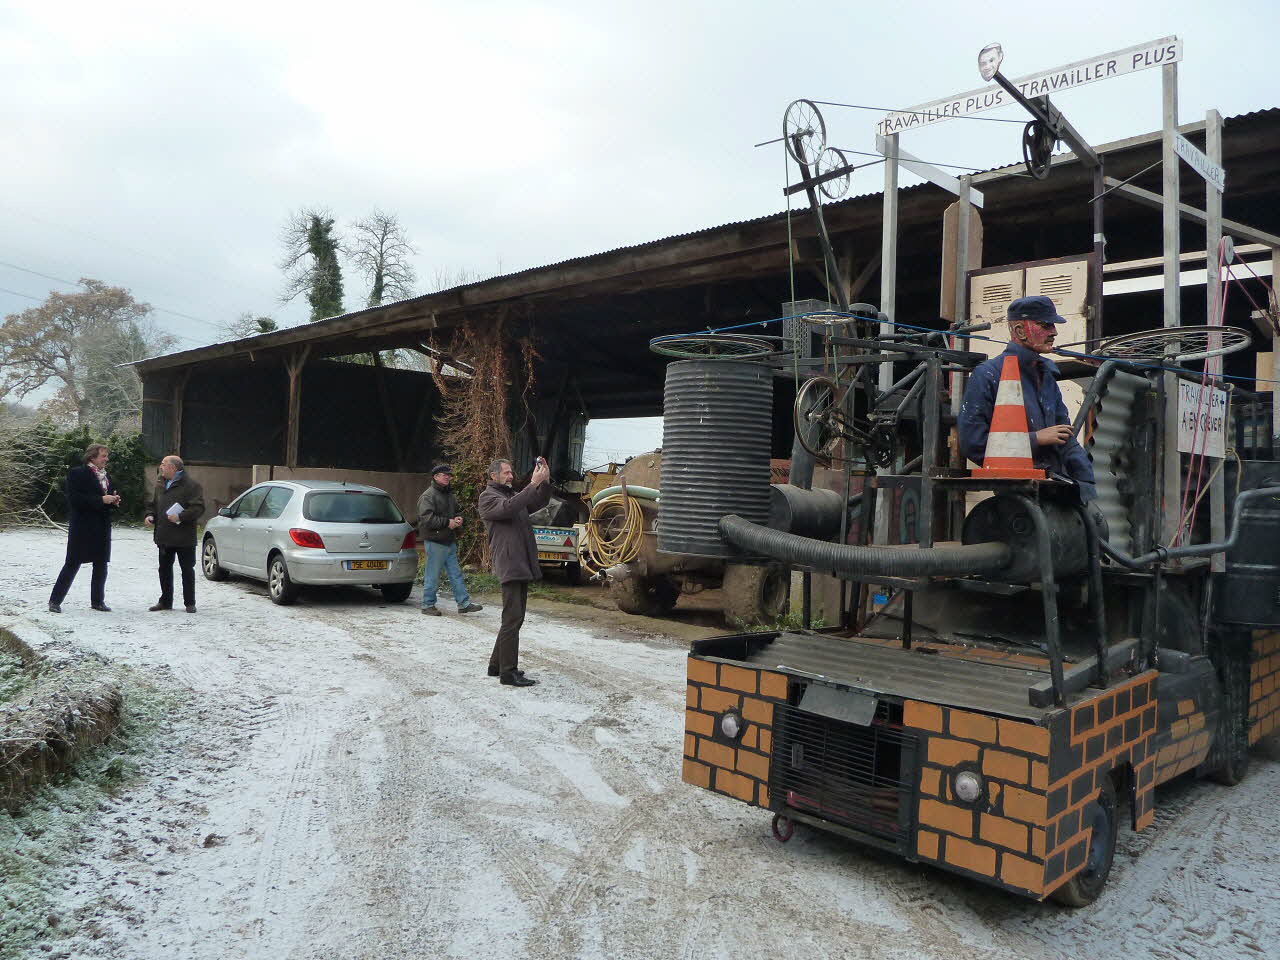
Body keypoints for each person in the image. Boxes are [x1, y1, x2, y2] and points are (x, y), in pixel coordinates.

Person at [958, 295, 1097, 502]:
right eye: (1045, 325)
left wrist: (1087, 486)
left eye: (1053, 326)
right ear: (1020, 331)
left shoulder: (1046, 376)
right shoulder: (988, 375)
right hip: (1017, 499)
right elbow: (973, 443)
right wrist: (1035, 438)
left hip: (1055, 490)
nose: (1054, 332)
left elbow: (1064, 438)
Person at [477, 456, 552, 687]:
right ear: (493, 476)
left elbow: (537, 503)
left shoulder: (510, 495)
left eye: (511, 472)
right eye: (507, 473)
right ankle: (508, 673)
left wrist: (544, 482)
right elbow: (509, 509)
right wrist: (532, 484)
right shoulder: (489, 497)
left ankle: (495, 665)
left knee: (513, 618)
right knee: (512, 619)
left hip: (520, 562)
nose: (511, 476)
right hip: (510, 563)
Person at [48, 443, 120, 613]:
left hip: (102, 526)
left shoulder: (105, 476)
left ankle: (97, 601)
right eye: (103, 456)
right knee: (73, 563)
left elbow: (104, 499)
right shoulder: (77, 473)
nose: (106, 459)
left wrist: (113, 501)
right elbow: (75, 500)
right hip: (82, 526)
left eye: (106, 456)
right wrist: (101, 500)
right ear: (92, 457)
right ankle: (55, 600)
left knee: (101, 564)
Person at [416, 464, 483, 617]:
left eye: (449, 475)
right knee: (433, 575)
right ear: (435, 477)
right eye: (443, 474)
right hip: (435, 541)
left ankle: (464, 604)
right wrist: (448, 522)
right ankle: (427, 605)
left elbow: (457, 511)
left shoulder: (449, 494)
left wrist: (458, 518)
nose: (447, 477)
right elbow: (426, 519)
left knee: (456, 574)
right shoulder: (428, 496)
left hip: (448, 540)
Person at [143, 455, 206, 613]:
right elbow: (153, 504)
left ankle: (189, 603)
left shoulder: (192, 486)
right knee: (164, 569)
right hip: (164, 535)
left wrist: (181, 516)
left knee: (187, 569)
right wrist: (150, 515)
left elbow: (198, 508)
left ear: (173, 468)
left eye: (164, 464)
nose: (161, 467)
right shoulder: (160, 483)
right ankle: (165, 601)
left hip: (184, 537)